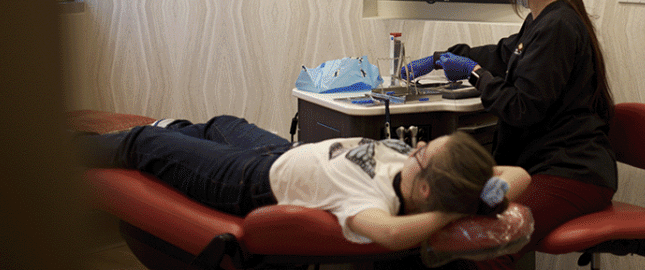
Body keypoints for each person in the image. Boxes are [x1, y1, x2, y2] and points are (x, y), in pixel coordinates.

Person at [401, 0, 617, 269]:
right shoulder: (540, 20)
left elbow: (521, 108)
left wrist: (473, 74)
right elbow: (502, 55)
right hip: (542, 166)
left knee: (490, 242)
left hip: (572, 174)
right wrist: (444, 56)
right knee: (463, 226)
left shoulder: (558, 26)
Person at [77, 116, 530, 250]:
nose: (418, 146)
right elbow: (521, 176)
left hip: (247, 182)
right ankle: (180, 133)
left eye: (422, 153)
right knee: (219, 124)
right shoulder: (434, 180)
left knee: (144, 142)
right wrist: (478, 194)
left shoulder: (374, 204)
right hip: (281, 154)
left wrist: (453, 211)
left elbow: (391, 236)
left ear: (428, 191)